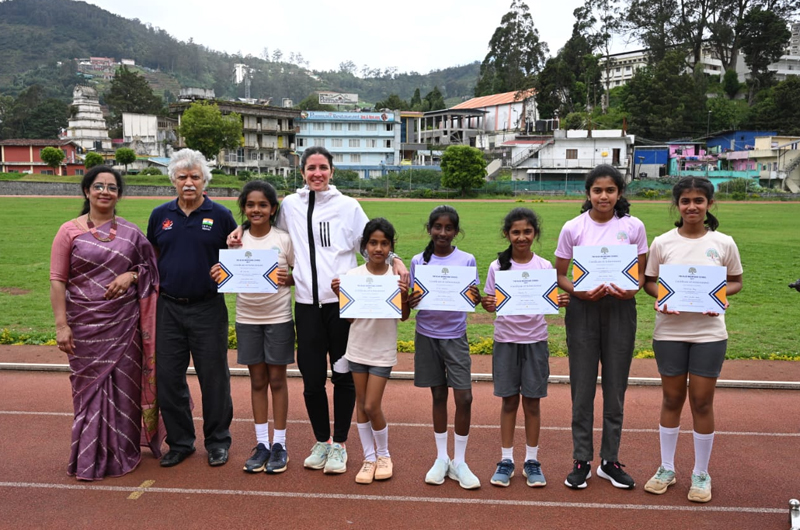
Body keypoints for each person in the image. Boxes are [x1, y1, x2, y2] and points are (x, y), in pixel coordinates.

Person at [228, 146, 408, 475]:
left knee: (343, 377)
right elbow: (263, 221)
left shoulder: (348, 206)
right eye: (311, 168)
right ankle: (321, 440)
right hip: (305, 305)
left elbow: (373, 241)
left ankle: (339, 444)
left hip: (341, 306)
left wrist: (396, 260)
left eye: (323, 168)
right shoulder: (291, 206)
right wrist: (240, 229)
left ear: (332, 171)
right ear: (302, 172)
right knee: (312, 380)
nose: (317, 174)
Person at [50, 165, 165, 480]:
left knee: (124, 388)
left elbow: (152, 270)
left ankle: (122, 452)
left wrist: (131, 274)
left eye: (112, 187)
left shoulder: (131, 232)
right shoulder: (68, 231)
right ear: (87, 191)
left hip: (124, 326)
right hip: (84, 325)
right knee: (88, 390)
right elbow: (57, 281)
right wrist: (62, 326)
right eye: (98, 186)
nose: (105, 192)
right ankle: (89, 457)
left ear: (119, 194)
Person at [642, 177, 743, 503]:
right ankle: (666, 468)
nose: (692, 206)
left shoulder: (724, 243)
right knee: (672, 400)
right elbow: (650, 282)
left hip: (709, 333)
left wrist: (720, 297)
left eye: (699, 200)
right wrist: (663, 297)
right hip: (669, 331)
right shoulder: (663, 242)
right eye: (685, 201)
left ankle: (701, 473)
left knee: (701, 401)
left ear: (709, 205)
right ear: (677, 205)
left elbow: (736, 281)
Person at [555, 164, 648, 490]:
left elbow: (639, 273)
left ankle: (610, 460)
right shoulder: (573, 228)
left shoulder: (633, 226)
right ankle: (582, 459)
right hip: (583, 309)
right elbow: (561, 275)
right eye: (598, 190)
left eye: (610, 190)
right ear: (588, 193)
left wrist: (633, 288)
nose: (604, 196)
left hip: (620, 308)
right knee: (582, 389)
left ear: (619, 193)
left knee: (615, 388)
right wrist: (577, 290)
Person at [146, 149, 238, 468]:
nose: (188, 182)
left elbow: (239, 260)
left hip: (208, 307)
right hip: (168, 308)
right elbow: (153, 257)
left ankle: (217, 441)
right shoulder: (160, 215)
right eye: (182, 177)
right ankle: (181, 441)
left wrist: (227, 272)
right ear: (172, 180)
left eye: (195, 177)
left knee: (214, 378)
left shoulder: (222, 215)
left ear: (204, 181)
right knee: (169, 378)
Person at [482, 208, 570, 488]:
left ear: (535, 233)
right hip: (506, 341)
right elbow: (489, 299)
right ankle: (506, 460)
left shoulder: (545, 267)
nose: (522, 237)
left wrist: (560, 300)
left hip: (535, 341)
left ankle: (532, 461)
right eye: (516, 232)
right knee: (508, 401)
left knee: (532, 403)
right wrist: (488, 304)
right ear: (507, 234)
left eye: (527, 232)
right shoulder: (497, 267)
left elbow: (550, 299)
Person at [211, 181, 295, 474]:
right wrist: (218, 273)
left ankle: (279, 444)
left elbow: (299, 275)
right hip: (247, 318)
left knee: (278, 381)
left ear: (273, 209)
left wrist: (290, 279)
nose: (256, 209)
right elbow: (227, 276)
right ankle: (261, 443)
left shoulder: (284, 239)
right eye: (250, 205)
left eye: (262, 205)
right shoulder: (235, 239)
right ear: (243, 208)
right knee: (257, 381)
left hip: (279, 317)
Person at [408, 205, 482, 490]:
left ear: (456, 231)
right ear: (430, 230)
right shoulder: (418, 261)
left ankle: (460, 461)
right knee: (438, 395)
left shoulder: (466, 260)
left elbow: (471, 297)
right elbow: (411, 298)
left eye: (448, 228)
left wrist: (473, 297)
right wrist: (410, 301)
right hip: (426, 335)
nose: (442, 232)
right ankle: (442, 458)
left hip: (455, 336)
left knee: (464, 398)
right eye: (437, 227)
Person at [331, 218, 410, 484]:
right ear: (365, 245)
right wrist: (343, 296)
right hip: (357, 349)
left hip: (382, 351)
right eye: (373, 243)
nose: (378, 248)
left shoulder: (395, 276)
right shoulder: (353, 276)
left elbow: (404, 317)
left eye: (384, 243)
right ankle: (369, 458)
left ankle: (384, 455)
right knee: (361, 407)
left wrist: (403, 296)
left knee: (371, 404)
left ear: (391, 247)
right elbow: (350, 319)